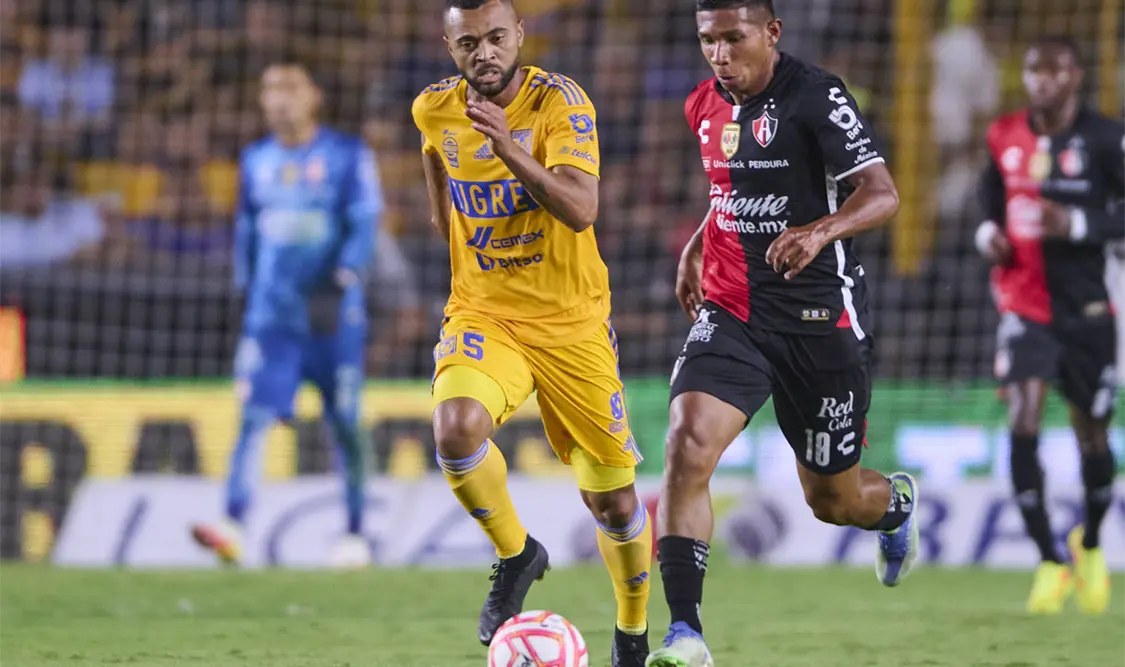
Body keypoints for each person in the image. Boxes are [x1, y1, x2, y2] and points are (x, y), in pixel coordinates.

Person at [647, 2, 914, 665]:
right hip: (734, 311)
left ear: (771, 33)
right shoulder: (701, 106)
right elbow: (726, 194)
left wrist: (819, 231)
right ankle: (685, 634)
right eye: (707, 40)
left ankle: (894, 507)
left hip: (819, 321)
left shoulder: (815, 96)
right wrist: (695, 248)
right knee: (686, 443)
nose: (718, 53)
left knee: (832, 499)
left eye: (732, 38)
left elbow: (881, 193)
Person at [411, 1, 651, 664]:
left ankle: (631, 630)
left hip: (571, 324)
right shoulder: (432, 109)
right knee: (455, 427)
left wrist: (508, 149)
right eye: (468, 43)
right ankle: (517, 553)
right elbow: (441, 192)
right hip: (485, 312)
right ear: (449, 45)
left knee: (611, 500)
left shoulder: (561, 103)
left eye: (494, 37)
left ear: (518, 35)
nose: (483, 53)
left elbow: (580, 208)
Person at [190, 61, 382, 569]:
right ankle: (232, 525)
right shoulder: (255, 160)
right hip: (273, 319)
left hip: (332, 317)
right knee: (252, 418)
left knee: (344, 421)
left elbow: (364, 222)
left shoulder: (345, 155)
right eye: (270, 89)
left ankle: (357, 533)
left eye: (290, 88)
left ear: (313, 95)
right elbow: (248, 230)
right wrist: (245, 289)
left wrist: (344, 277)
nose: (279, 99)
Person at [974, 35, 1122, 615]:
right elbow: (989, 202)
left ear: (1076, 77)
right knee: (1023, 417)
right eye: (1034, 69)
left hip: (1087, 310)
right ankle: (1048, 561)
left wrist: (1080, 225)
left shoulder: (1106, 139)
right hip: (1024, 306)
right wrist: (989, 236)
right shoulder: (1003, 134)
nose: (1042, 80)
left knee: (1093, 434)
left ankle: (1089, 544)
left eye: (1054, 70)